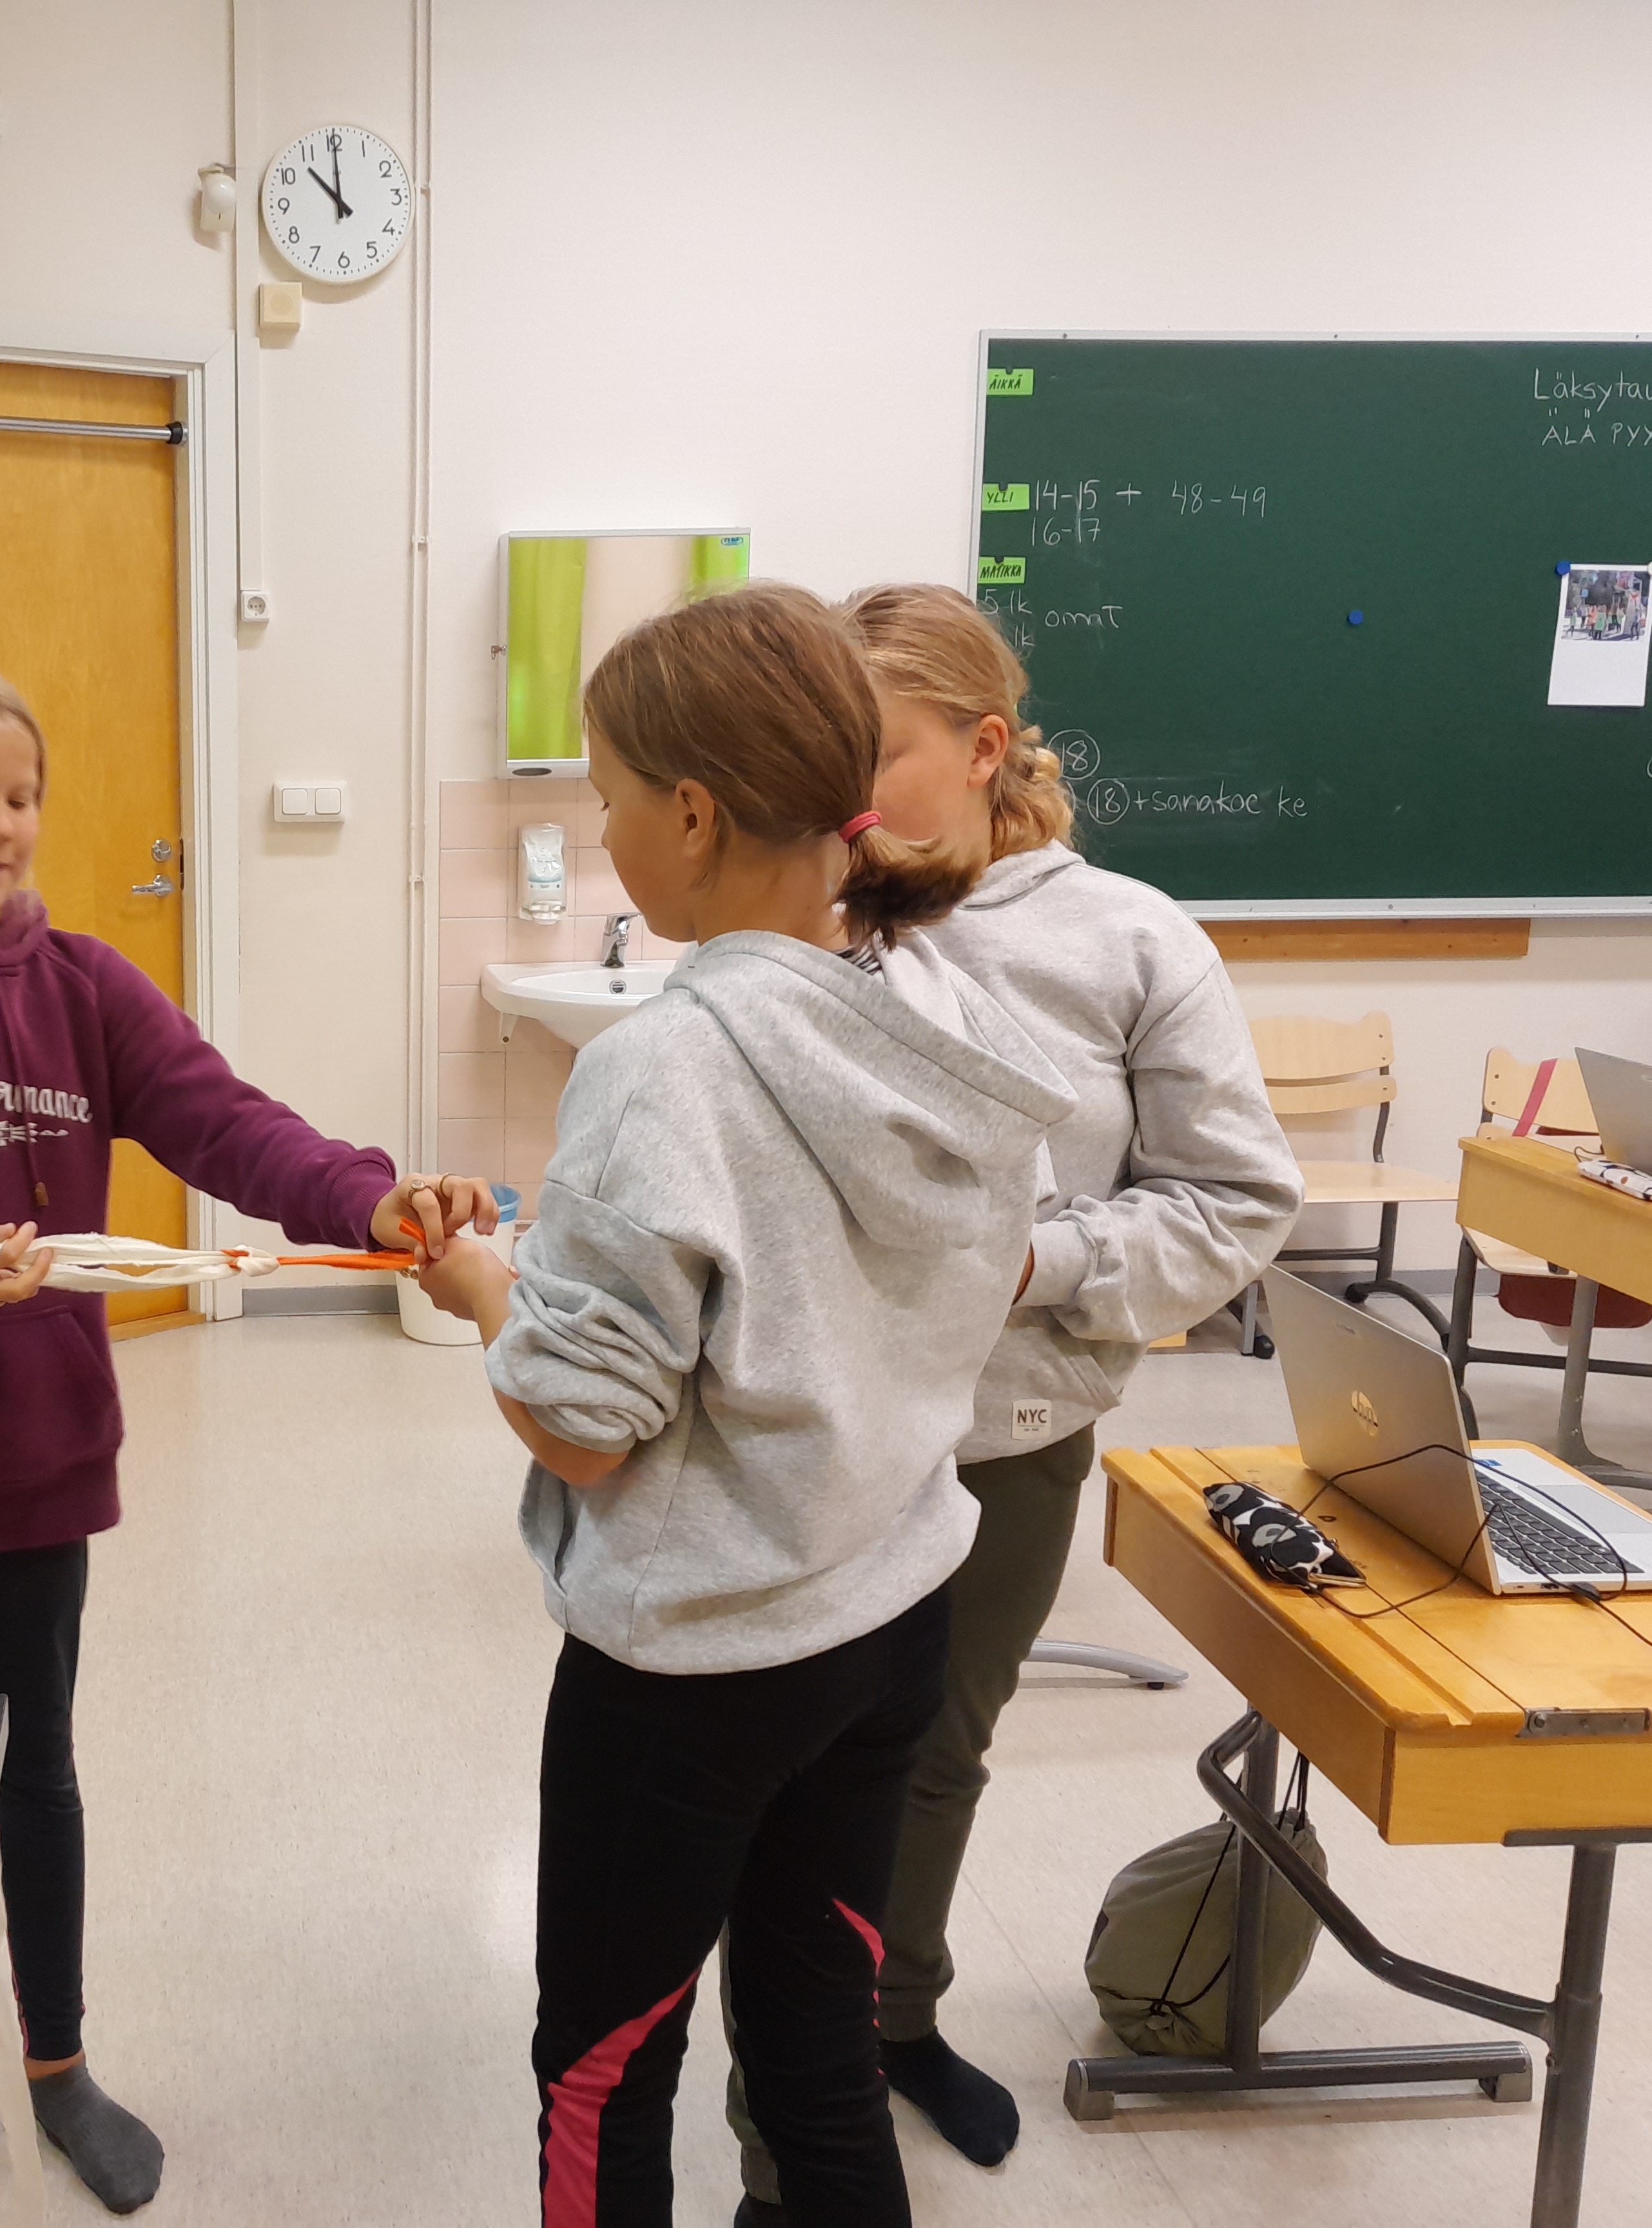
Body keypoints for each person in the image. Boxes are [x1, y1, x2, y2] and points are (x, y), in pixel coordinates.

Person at [0, 649, 491, 2216]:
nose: (4, 827)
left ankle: (57, 2062)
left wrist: (372, 1198)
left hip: (33, 1462)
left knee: (36, 1770)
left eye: (24, 796)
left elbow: (230, 1125)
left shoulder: (80, 987)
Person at [413, 583, 1071, 2228]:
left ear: (694, 815)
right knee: (818, 2052)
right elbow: (967, 1278)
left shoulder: (666, 1065)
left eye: (612, 795)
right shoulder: (947, 1017)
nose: (606, 827)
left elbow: (586, 1430)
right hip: (890, 1617)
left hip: (695, 1670)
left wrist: (487, 1288)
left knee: (603, 2071)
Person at [712, 583, 1301, 2204]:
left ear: (984, 749)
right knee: (794, 1786)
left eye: (876, 753)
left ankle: (893, 2023)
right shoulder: (797, 916)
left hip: (1007, 1435)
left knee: (938, 1755)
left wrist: (1033, 1263)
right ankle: (790, 2123)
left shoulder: (1126, 941)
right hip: (804, 1437)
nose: (841, 793)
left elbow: (1236, 1200)